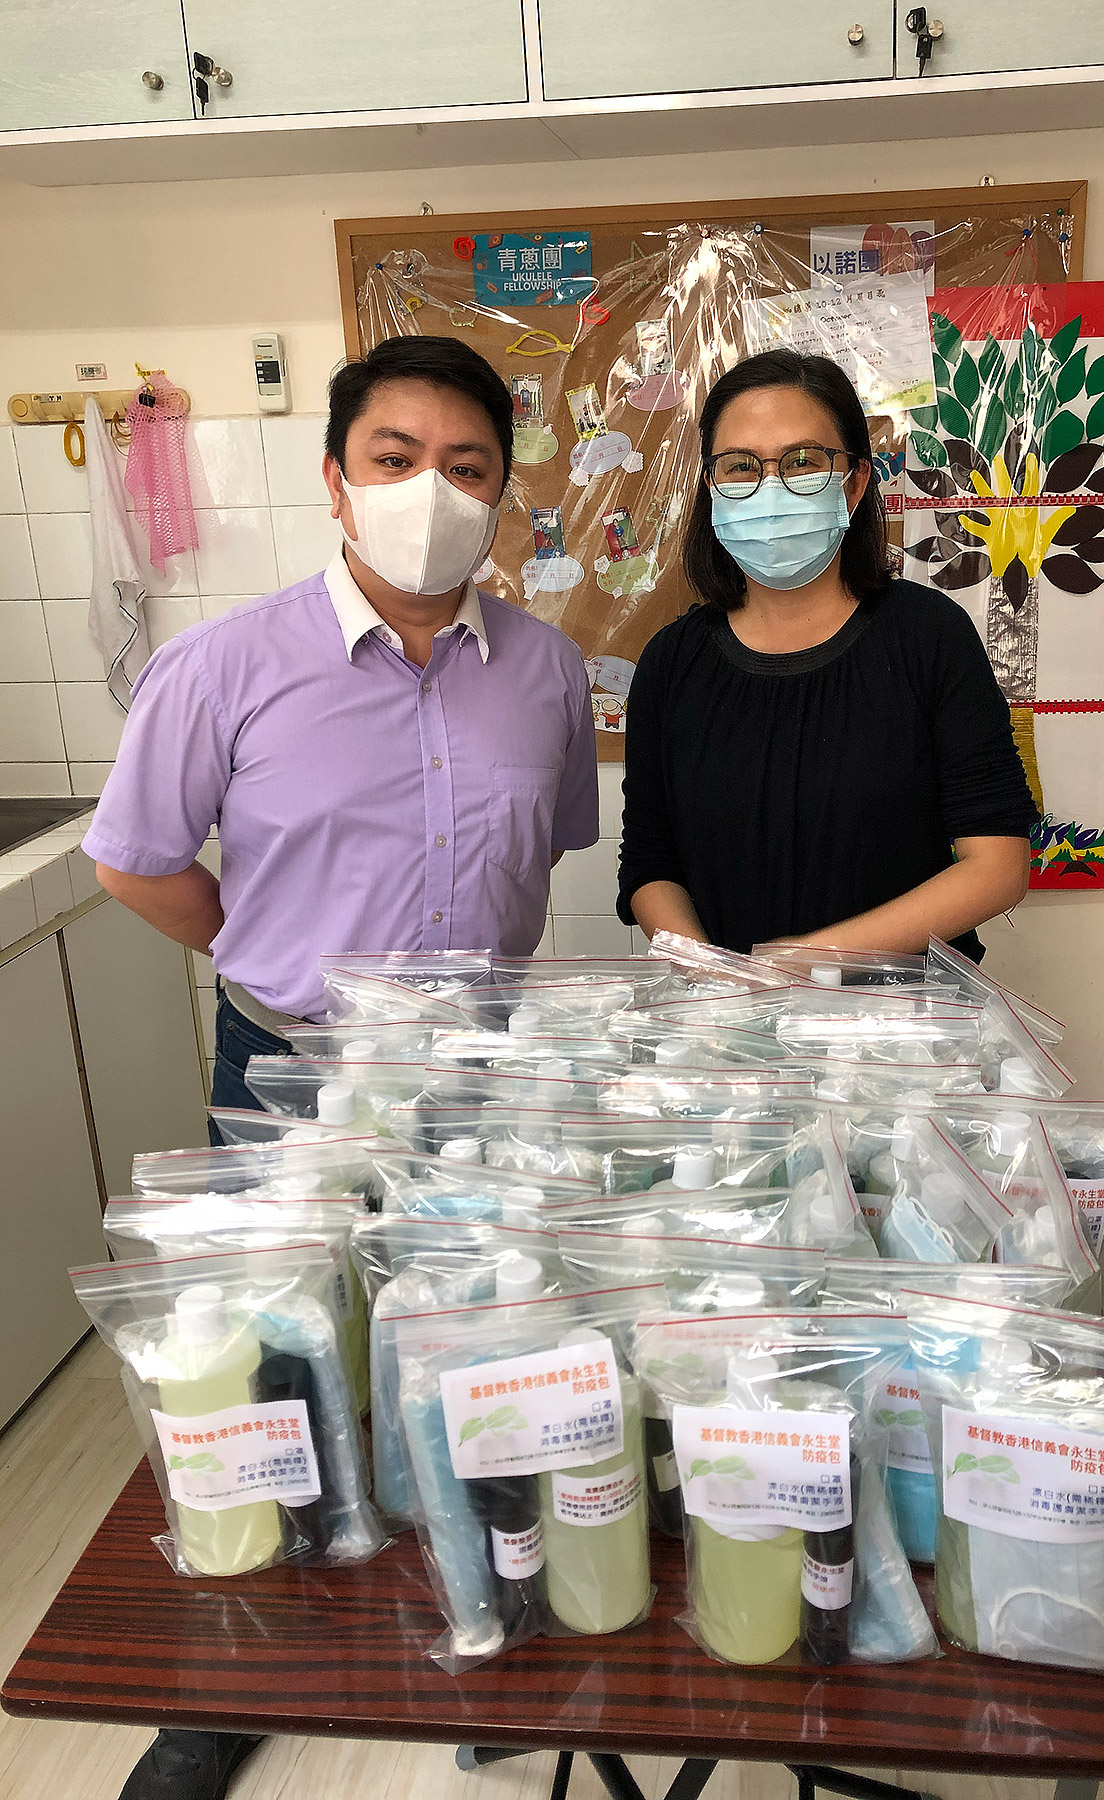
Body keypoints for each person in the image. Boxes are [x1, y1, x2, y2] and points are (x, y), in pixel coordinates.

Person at [82, 334, 599, 1800]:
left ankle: (483, 1611)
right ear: (334, 477)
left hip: (484, 1076)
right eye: (394, 457)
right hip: (292, 1067)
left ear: (503, 494)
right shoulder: (224, 666)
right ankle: (243, 1672)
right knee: (269, 1361)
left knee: (472, 1356)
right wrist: (261, 945)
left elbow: (553, 841)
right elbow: (133, 861)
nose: (428, 489)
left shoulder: (546, 670)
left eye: (467, 466)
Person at [617, 350, 1036, 958]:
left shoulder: (928, 637)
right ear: (712, 488)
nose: (771, 487)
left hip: (896, 1027)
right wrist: (715, 976)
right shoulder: (671, 661)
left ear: (856, 480)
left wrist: (809, 960)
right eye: (739, 467)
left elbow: (996, 865)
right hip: (725, 1021)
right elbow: (651, 862)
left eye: (804, 461)